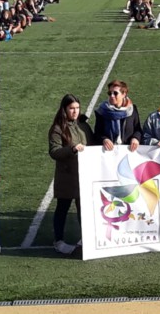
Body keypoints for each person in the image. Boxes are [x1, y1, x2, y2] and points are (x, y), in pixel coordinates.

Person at [48, 94, 95, 255]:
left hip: (84, 174)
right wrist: (72, 149)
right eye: (71, 108)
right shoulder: (57, 128)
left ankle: (86, 238)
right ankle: (58, 240)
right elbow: (54, 151)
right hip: (67, 176)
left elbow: (93, 144)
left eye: (77, 108)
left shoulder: (84, 126)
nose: (75, 111)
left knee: (84, 208)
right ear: (64, 109)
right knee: (63, 207)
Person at [93, 80, 142, 151]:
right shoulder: (102, 111)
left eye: (115, 93)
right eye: (110, 93)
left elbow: (138, 129)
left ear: (124, 94)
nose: (112, 96)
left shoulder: (132, 109)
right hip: (109, 152)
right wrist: (104, 139)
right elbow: (97, 133)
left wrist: (136, 138)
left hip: (128, 151)